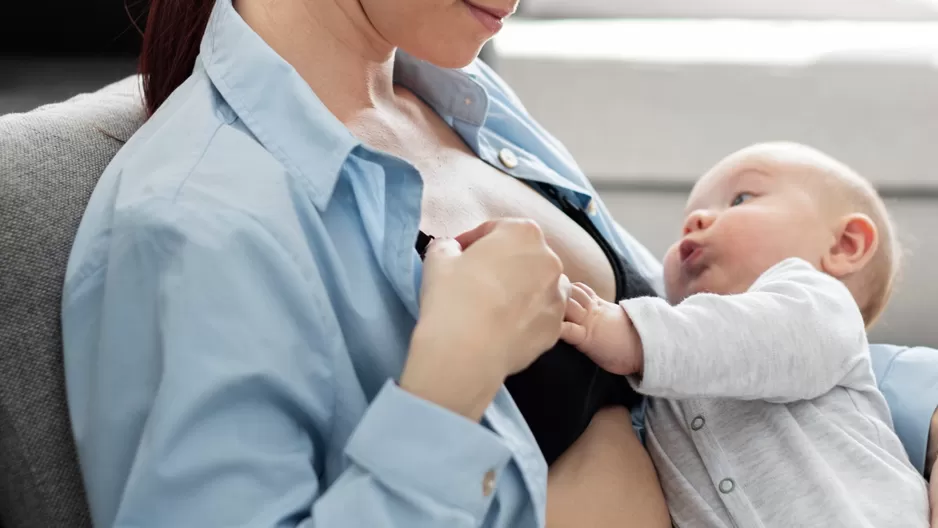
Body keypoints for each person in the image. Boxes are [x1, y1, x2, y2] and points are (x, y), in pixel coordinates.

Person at [58, 0, 938, 525]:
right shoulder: (195, 224)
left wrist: (922, 414)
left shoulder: (460, 96)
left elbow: (708, 344)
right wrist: (449, 381)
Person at [561, 142, 930, 526]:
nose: (697, 220)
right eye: (685, 221)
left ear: (843, 245)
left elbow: (757, 336)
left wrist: (633, 335)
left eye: (740, 198)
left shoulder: (820, 306)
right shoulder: (664, 380)